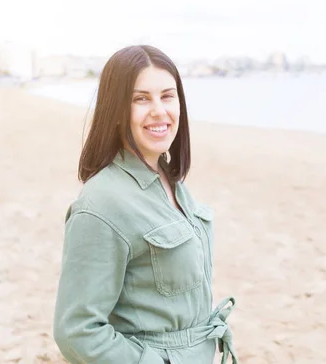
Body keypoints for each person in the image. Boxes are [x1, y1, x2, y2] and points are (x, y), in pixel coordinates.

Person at [53, 45, 238, 364]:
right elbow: (76, 331)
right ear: (116, 110)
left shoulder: (172, 182)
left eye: (167, 96)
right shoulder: (101, 203)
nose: (159, 111)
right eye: (141, 99)